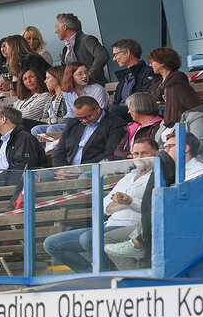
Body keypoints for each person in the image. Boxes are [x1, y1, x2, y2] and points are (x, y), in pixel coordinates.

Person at [43, 138, 157, 273]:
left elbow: (150, 205)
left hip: (131, 227)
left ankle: (110, 274)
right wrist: (124, 203)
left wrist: (128, 202)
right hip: (109, 225)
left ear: (156, 154)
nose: (139, 157)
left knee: (89, 239)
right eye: (136, 154)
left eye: (144, 153)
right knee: (52, 244)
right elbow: (106, 204)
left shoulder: (157, 176)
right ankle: (89, 275)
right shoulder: (128, 177)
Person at [52, 97, 126, 167]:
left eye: (88, 116)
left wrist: (81, 168)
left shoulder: (115, 124)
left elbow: (109, 154)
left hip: (93, 169)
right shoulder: (73, 123)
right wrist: (61, 169)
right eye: (80, 118)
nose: (84, 120)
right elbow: (60, 150)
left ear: (97, 109)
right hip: (67, 169)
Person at [0, 105, 46, 184]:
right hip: (1, 180)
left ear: (3, 119)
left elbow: (20, 168)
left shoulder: (24, 138)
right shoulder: (1, 141)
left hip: (14, 183)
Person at [146, 48, 200, 129]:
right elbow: (147, 97)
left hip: (171, 115)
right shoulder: (156, 81)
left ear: (162, 63)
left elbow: (169, 94)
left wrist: (156, 102)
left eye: (152, 62)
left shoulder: (178, 76)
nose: (150, 65)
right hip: (157, 115)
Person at [54, 12, 110, 85]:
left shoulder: (86, 39)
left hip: (93, 88)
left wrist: (88, 76)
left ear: (64, 27)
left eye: (56, 27)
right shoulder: (65, 48)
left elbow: (102, 56)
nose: (55, 31)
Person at [109, 39, 155, 113]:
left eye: (116, 54)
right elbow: (116, 102)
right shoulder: (124, 75)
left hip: (136, 112)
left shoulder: (148, 73)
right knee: (101, 112)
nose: (114, 59)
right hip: (119, 111)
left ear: (127, 53)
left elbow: (145, 101)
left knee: (113, 110)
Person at [114, 92, 163, 158]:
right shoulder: (132, 127)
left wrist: (136, 157)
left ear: (139, 107)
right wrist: (132, 156)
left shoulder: (159, 126)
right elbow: (117, 151)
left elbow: (151, 149)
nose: (128, 112)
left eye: (131, 108)